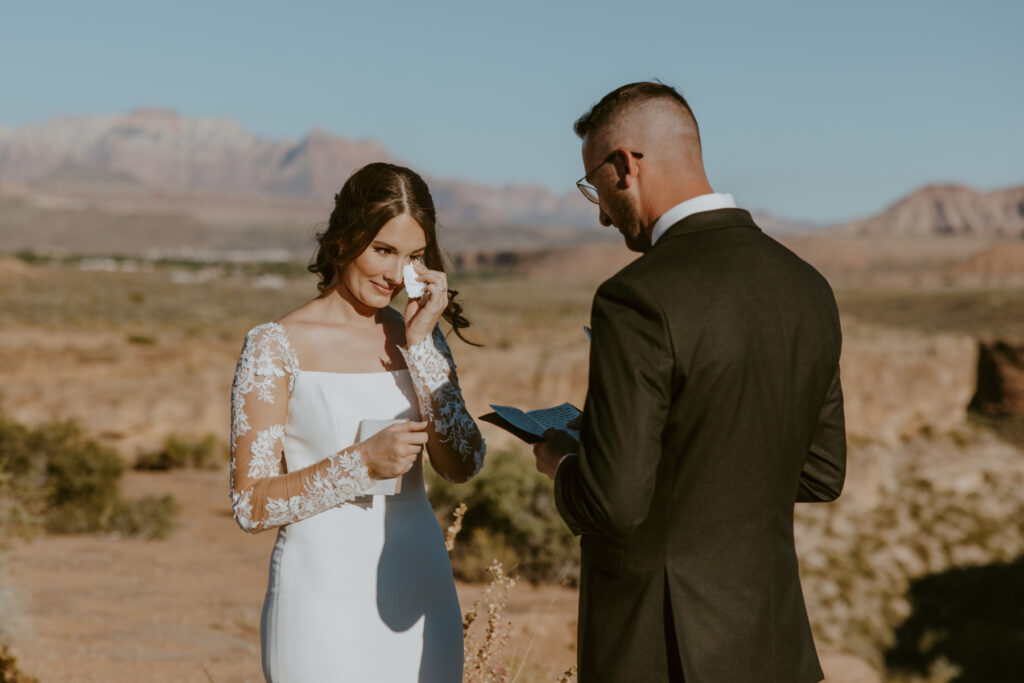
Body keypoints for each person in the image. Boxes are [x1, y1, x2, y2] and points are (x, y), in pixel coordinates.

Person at [532, 82, 846, 682]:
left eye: (593, 188)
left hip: (661, 648)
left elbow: (614, 503)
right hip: (775, 645)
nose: (599, 213)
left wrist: (565, 462)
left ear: (625, 165)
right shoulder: (808, 287)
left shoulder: (636, 296)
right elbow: (820, 471)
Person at [229, 162, 486, 682]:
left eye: (414, 257)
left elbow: (462, 465)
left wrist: (420, 348)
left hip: (419, 582)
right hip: (319, 590)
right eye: (383, 250)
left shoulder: (422, 336)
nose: (396, 276)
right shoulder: (274, 346)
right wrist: (360, 463)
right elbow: (250, 504)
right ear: (345, 239)